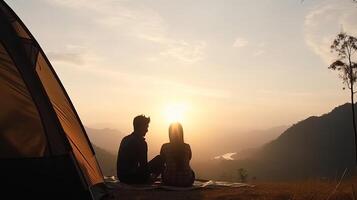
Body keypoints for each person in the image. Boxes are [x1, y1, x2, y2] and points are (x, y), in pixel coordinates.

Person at [117, 115, 164, 184]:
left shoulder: (125, 139)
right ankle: (149, 181)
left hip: (121, 177)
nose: (147, 130)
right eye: (146, 127)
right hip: (132, 178)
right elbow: (144, 166)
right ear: (140, 127)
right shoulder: (141, 143)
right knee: (160, 159)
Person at [160, 122, 195, 187]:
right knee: (192, 172)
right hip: (186, 182)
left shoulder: (165, 147)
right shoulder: (187, 146)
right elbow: (188, 159)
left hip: (169, 181)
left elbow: (162, 161)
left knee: (163, 168)